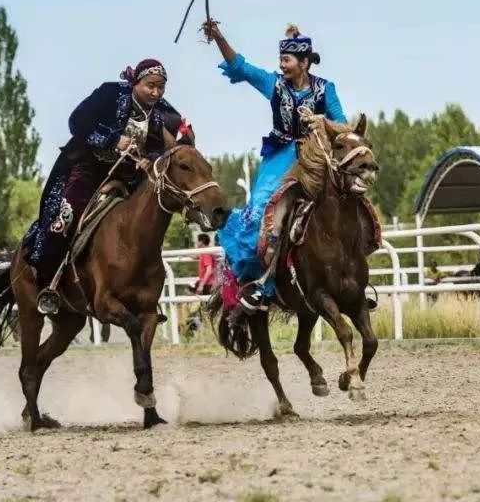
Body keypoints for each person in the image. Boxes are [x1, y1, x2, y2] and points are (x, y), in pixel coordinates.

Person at [22, 58, 189, 315]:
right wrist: (114, 139)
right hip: (88, 170)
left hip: (129, 176)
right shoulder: (110, 93)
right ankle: (48, 283)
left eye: (161, 88)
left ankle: (143, 293)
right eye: (150, 86)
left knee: (147, 219)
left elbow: (161, 146)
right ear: (136, 81)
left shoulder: (163, 112)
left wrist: (150, 159)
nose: (155, 92)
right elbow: (76, 122)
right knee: (64, 218)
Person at [202, 20, 347, 313]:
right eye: (281, 60)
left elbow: (342, 126)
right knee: (262, 212)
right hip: (279, 158)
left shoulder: (325, 89)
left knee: (348, 199)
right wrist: (218, 36)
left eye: (287, 60)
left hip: (315, 158)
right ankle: (262, 284)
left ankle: (353, 275)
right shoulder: (274, 85)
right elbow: (241, 67)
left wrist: (320, 122)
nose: (281, 65)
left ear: (304, 62)